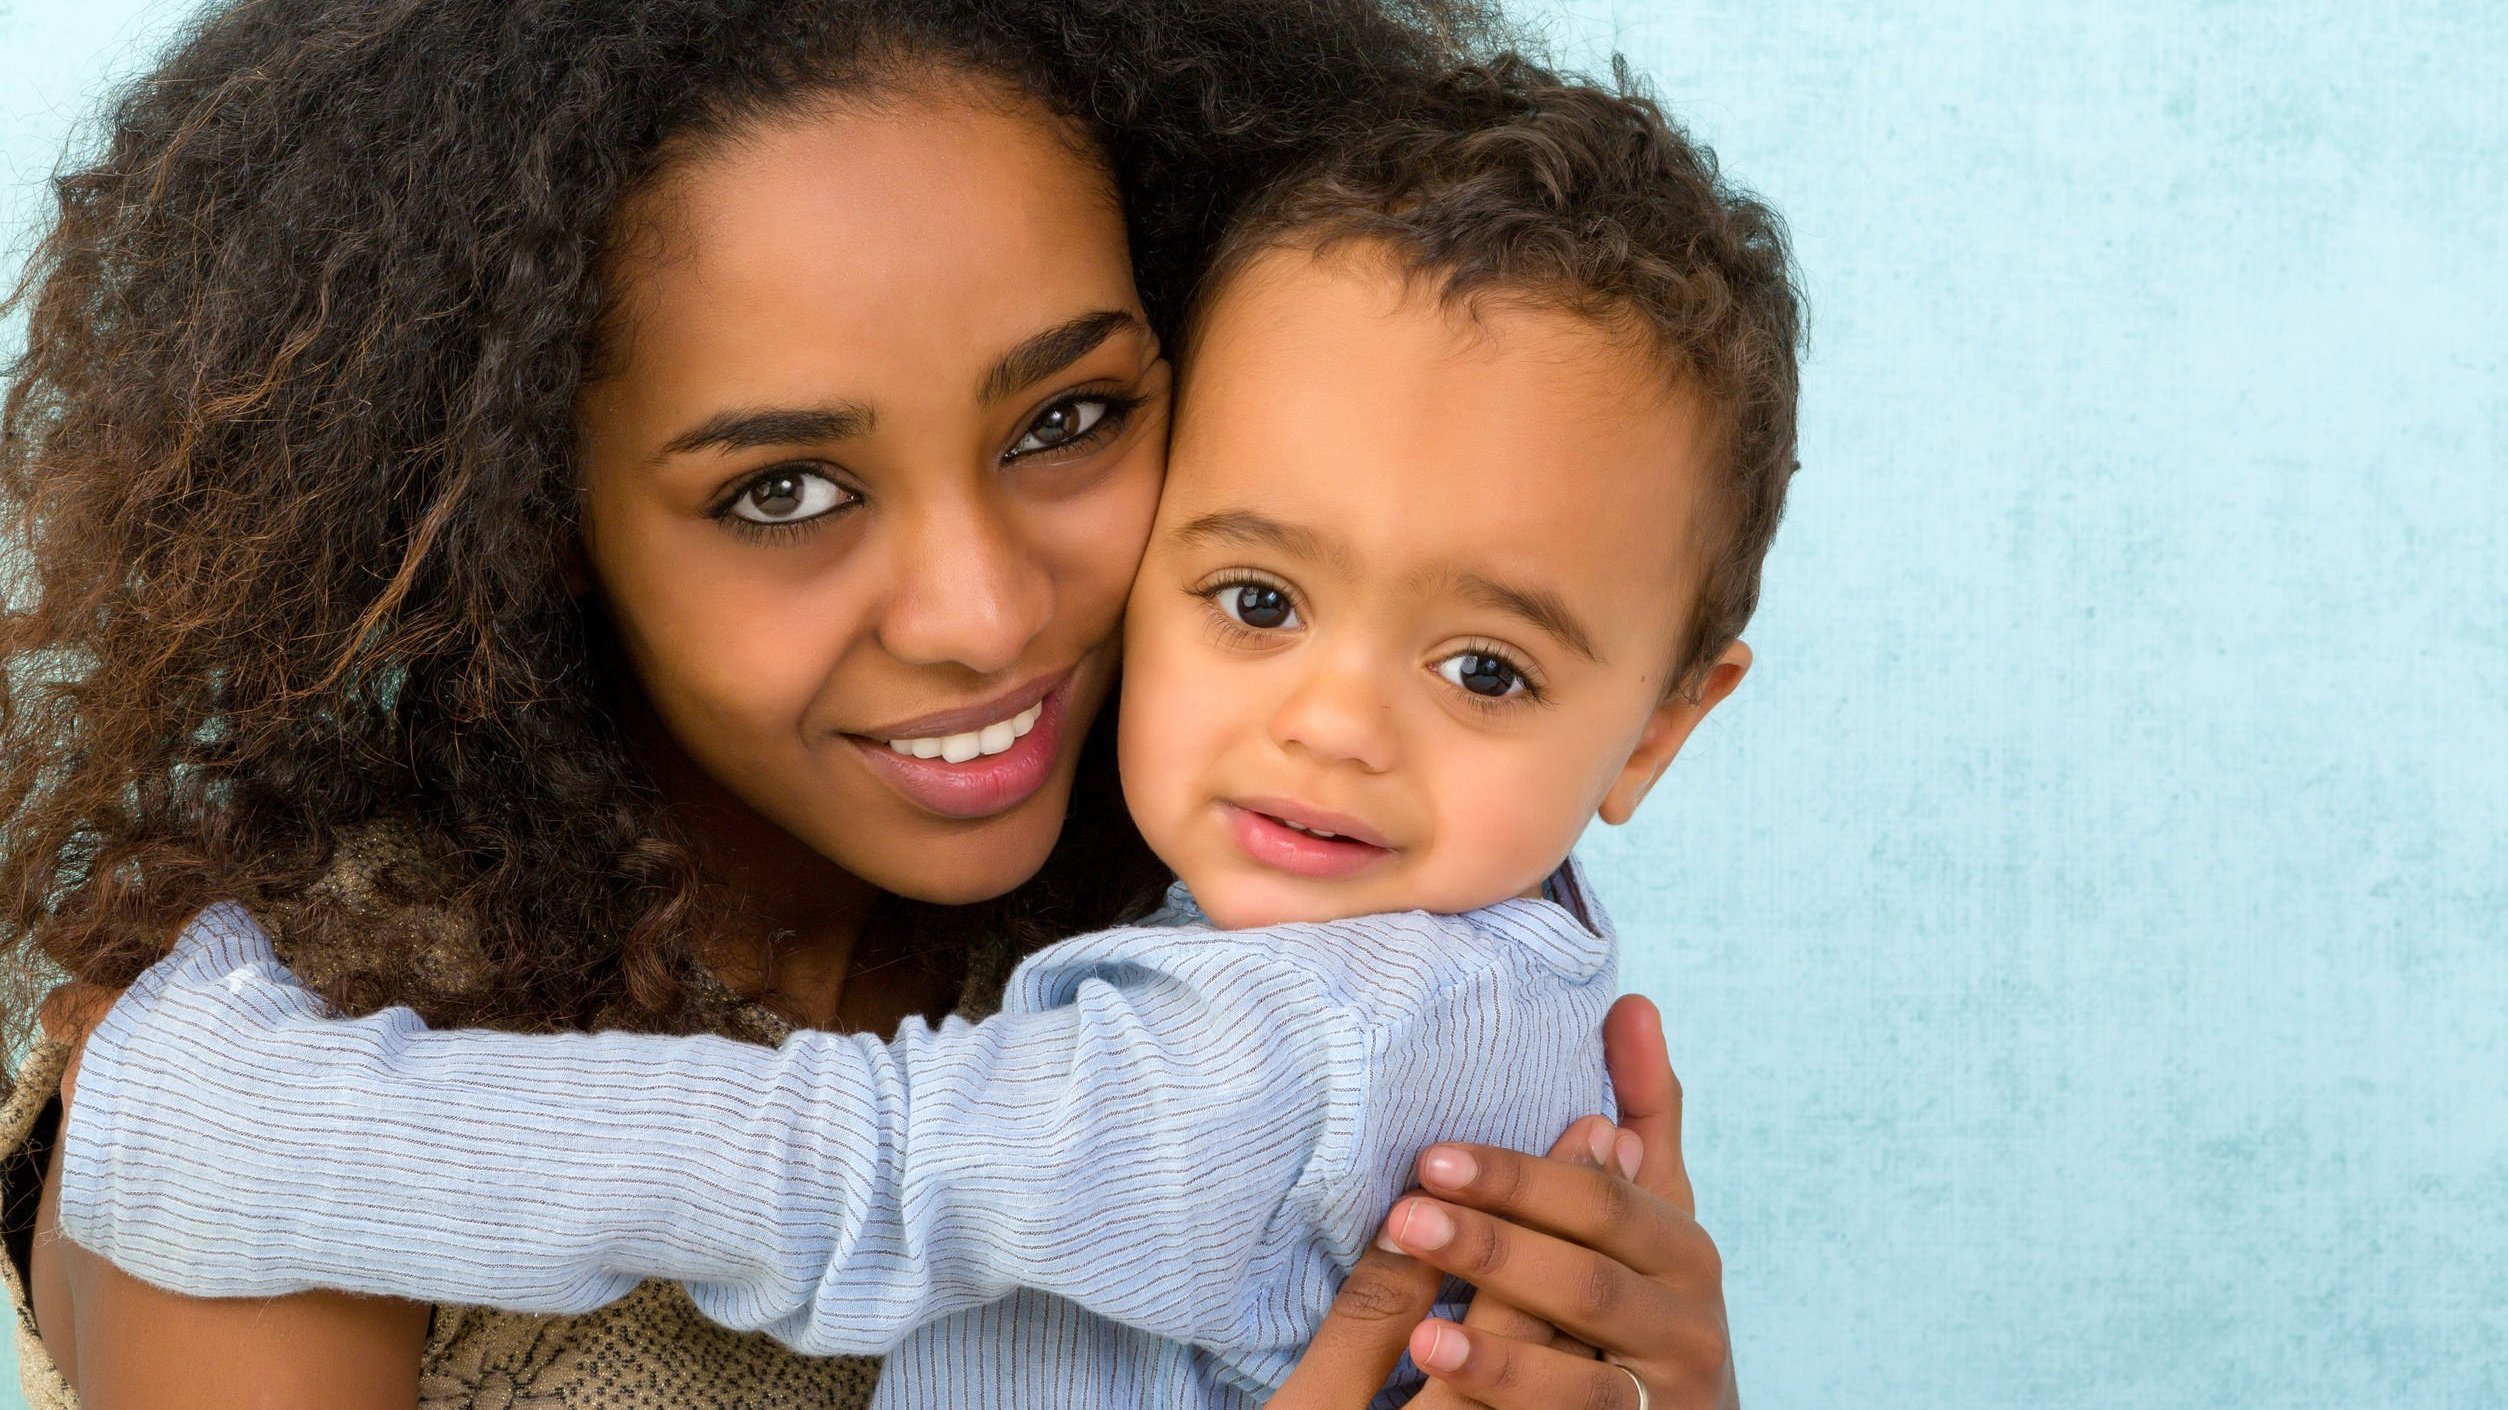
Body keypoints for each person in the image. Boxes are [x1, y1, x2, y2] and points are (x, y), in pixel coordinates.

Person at [0, 2, 1738, 1408]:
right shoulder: (298, 1056)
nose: (985, 616)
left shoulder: (1266, 912)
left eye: (1065, 420)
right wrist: (239, 1117)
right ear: (526, 514)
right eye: (784, 491)